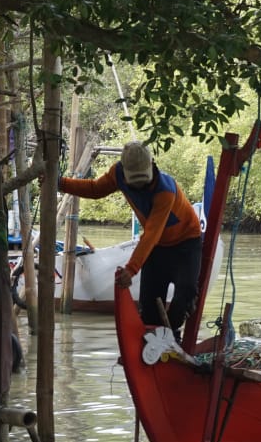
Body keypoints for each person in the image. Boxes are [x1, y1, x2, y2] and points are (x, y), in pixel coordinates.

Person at [60, 141, 203, 332]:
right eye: (134, 181)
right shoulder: (117, 173)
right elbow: (95, 190)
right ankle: (152, 342)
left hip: (186, 244)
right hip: (158, 246)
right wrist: (61, 183)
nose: (139, 185)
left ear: (152, 164)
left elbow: (151, 233)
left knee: (184, 298)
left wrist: (132, 268)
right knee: (149, 306)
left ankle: (170, 336)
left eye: (143, 179)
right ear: (124, 171)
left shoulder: (165, 191)